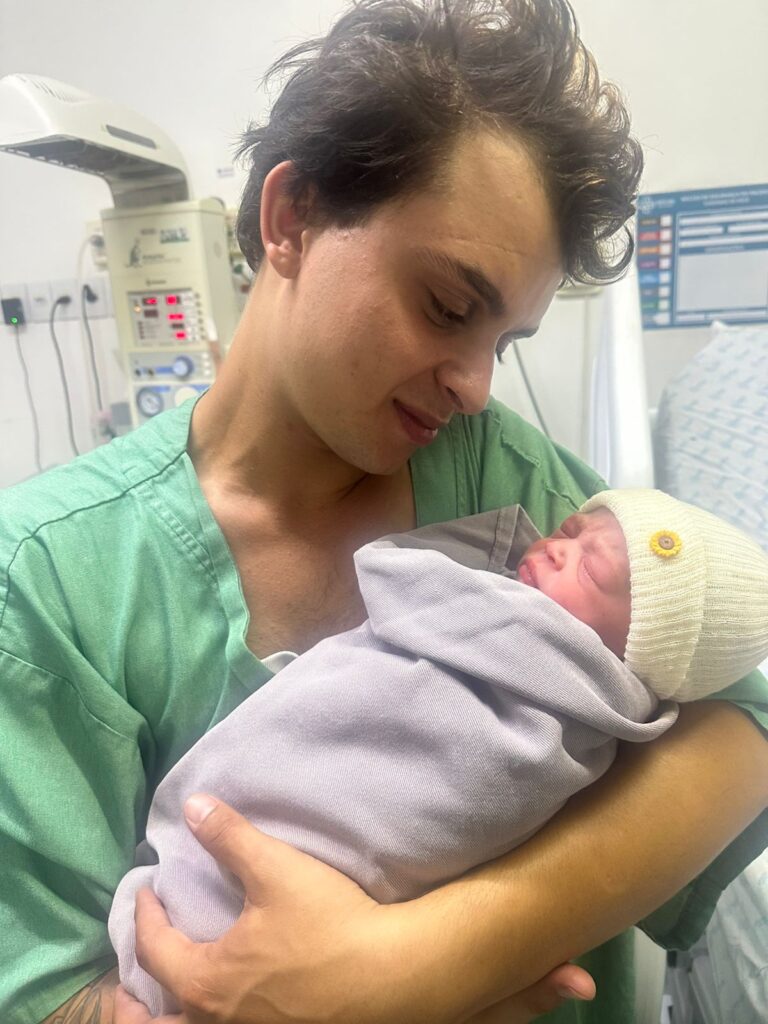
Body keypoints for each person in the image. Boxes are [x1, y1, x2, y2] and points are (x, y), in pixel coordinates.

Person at [1, 1, 766, 1023]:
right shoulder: (51, 582)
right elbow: (48, 990)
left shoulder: (503, 476)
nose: (476, 387)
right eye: (449, 307)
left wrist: (432, 958)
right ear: (292, 218)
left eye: (505, 341)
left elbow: (740, 727)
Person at [108, 489, 768, 1016]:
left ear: (635, 652)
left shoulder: (555, 693)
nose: (553, 547)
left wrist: (423, 964)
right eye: (567, 532)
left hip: (231, 900)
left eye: (590, 567)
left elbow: (750, 717)